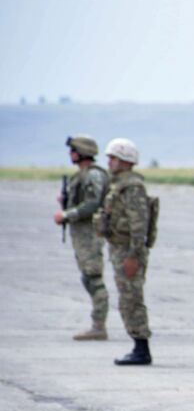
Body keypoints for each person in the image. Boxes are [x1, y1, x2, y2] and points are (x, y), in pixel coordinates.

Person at [98, 137, 153, 366]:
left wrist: (133, 256)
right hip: (119, 248)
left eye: (113, 158)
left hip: (128, 251)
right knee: (126, 299)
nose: (109, 162)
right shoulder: (118, 184)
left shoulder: (132, 187)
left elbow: (139, 225)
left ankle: (141, 349)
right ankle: (138, 345)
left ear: (125, 160)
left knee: (132, 299)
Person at [55, 135, 111, 340]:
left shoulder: (93, 176)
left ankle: (99, 325)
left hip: (90, 234)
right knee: (88, 277)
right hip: (82, 234)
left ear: (81, 152)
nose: (71, 155)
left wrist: (66, 215)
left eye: (73, 151)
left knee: (93, 278)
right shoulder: (82, 175)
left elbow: (92, 204)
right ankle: (98, 324)